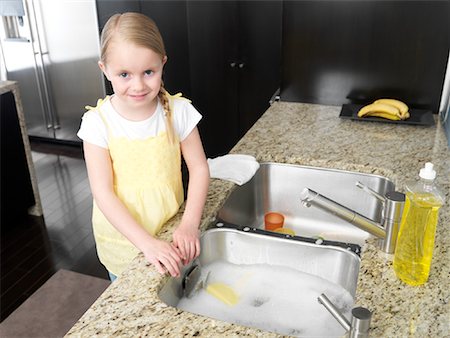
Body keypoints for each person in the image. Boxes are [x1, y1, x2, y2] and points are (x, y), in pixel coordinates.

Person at [77, 12, 209, 281]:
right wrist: (146, 244)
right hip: (123, 242)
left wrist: (189, 225)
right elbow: (103, 193)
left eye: (148, 72)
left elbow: (199, 168)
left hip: (170, 231)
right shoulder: (97, 122)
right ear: (104, 69)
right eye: (124, 74)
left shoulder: (179, 111)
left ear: (162, 63)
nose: (137, 85)